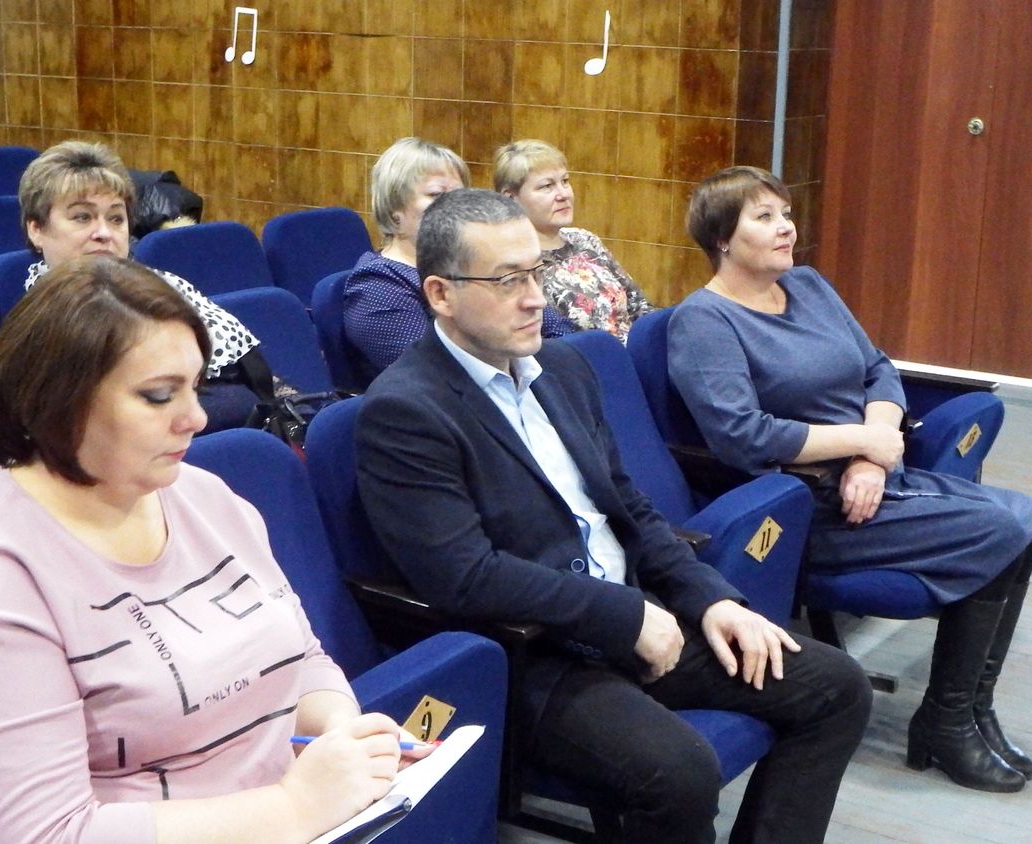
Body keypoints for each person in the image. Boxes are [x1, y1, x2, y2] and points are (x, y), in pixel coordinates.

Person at [355, 188, 871, 842]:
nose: (536, 298)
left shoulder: (562, 367)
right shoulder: (404, 410)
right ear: (440, 294)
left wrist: (712, 598)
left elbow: (629, 507)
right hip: (538, 654)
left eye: (536, 272)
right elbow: (465, 576)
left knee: (838, 688)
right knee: (680, 773)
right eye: (508, 281)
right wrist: (624, 617)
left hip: (636, 614)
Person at [0, 255, 425, 844]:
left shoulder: (205, 497)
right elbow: (41, 837)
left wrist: (345, 734)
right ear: (55, 400)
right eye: (158, 395)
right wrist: (295, 807)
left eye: (195, 387)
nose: (196, 418)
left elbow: (298, 658)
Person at [669, 165, 1032, 793]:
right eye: (763, 217)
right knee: (1001, 526)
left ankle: (967, 712)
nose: (786, 227)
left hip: (870, 479)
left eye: (786, 213)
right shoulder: (703, 322)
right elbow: (743, 436)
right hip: (805, 508)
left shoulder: (809, 285)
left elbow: (879, 370)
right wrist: (860, 444)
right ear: (722, 240)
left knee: (1026, 520)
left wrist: (874, 454)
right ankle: (949, 721)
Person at [17, 140, 289, 432]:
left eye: (116, 218)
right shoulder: (40, 325)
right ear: (37, 229)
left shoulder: (163, 284)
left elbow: (259, 380)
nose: (104, 233)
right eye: (82, 217)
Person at [344, 137, 574, 383]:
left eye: (459, 195)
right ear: (394, 210)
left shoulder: (477, 262)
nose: (453, 207)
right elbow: (436, 372)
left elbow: (562, 336)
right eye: (437, 195)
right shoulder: (377, 285)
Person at [494, 139, 655, 341]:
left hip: (634, 351)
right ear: (510, 198)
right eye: (547, 186)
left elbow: (639, 306)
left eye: (565, 181)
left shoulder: (584, 239)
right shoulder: (514, 264)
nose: (563, 194)